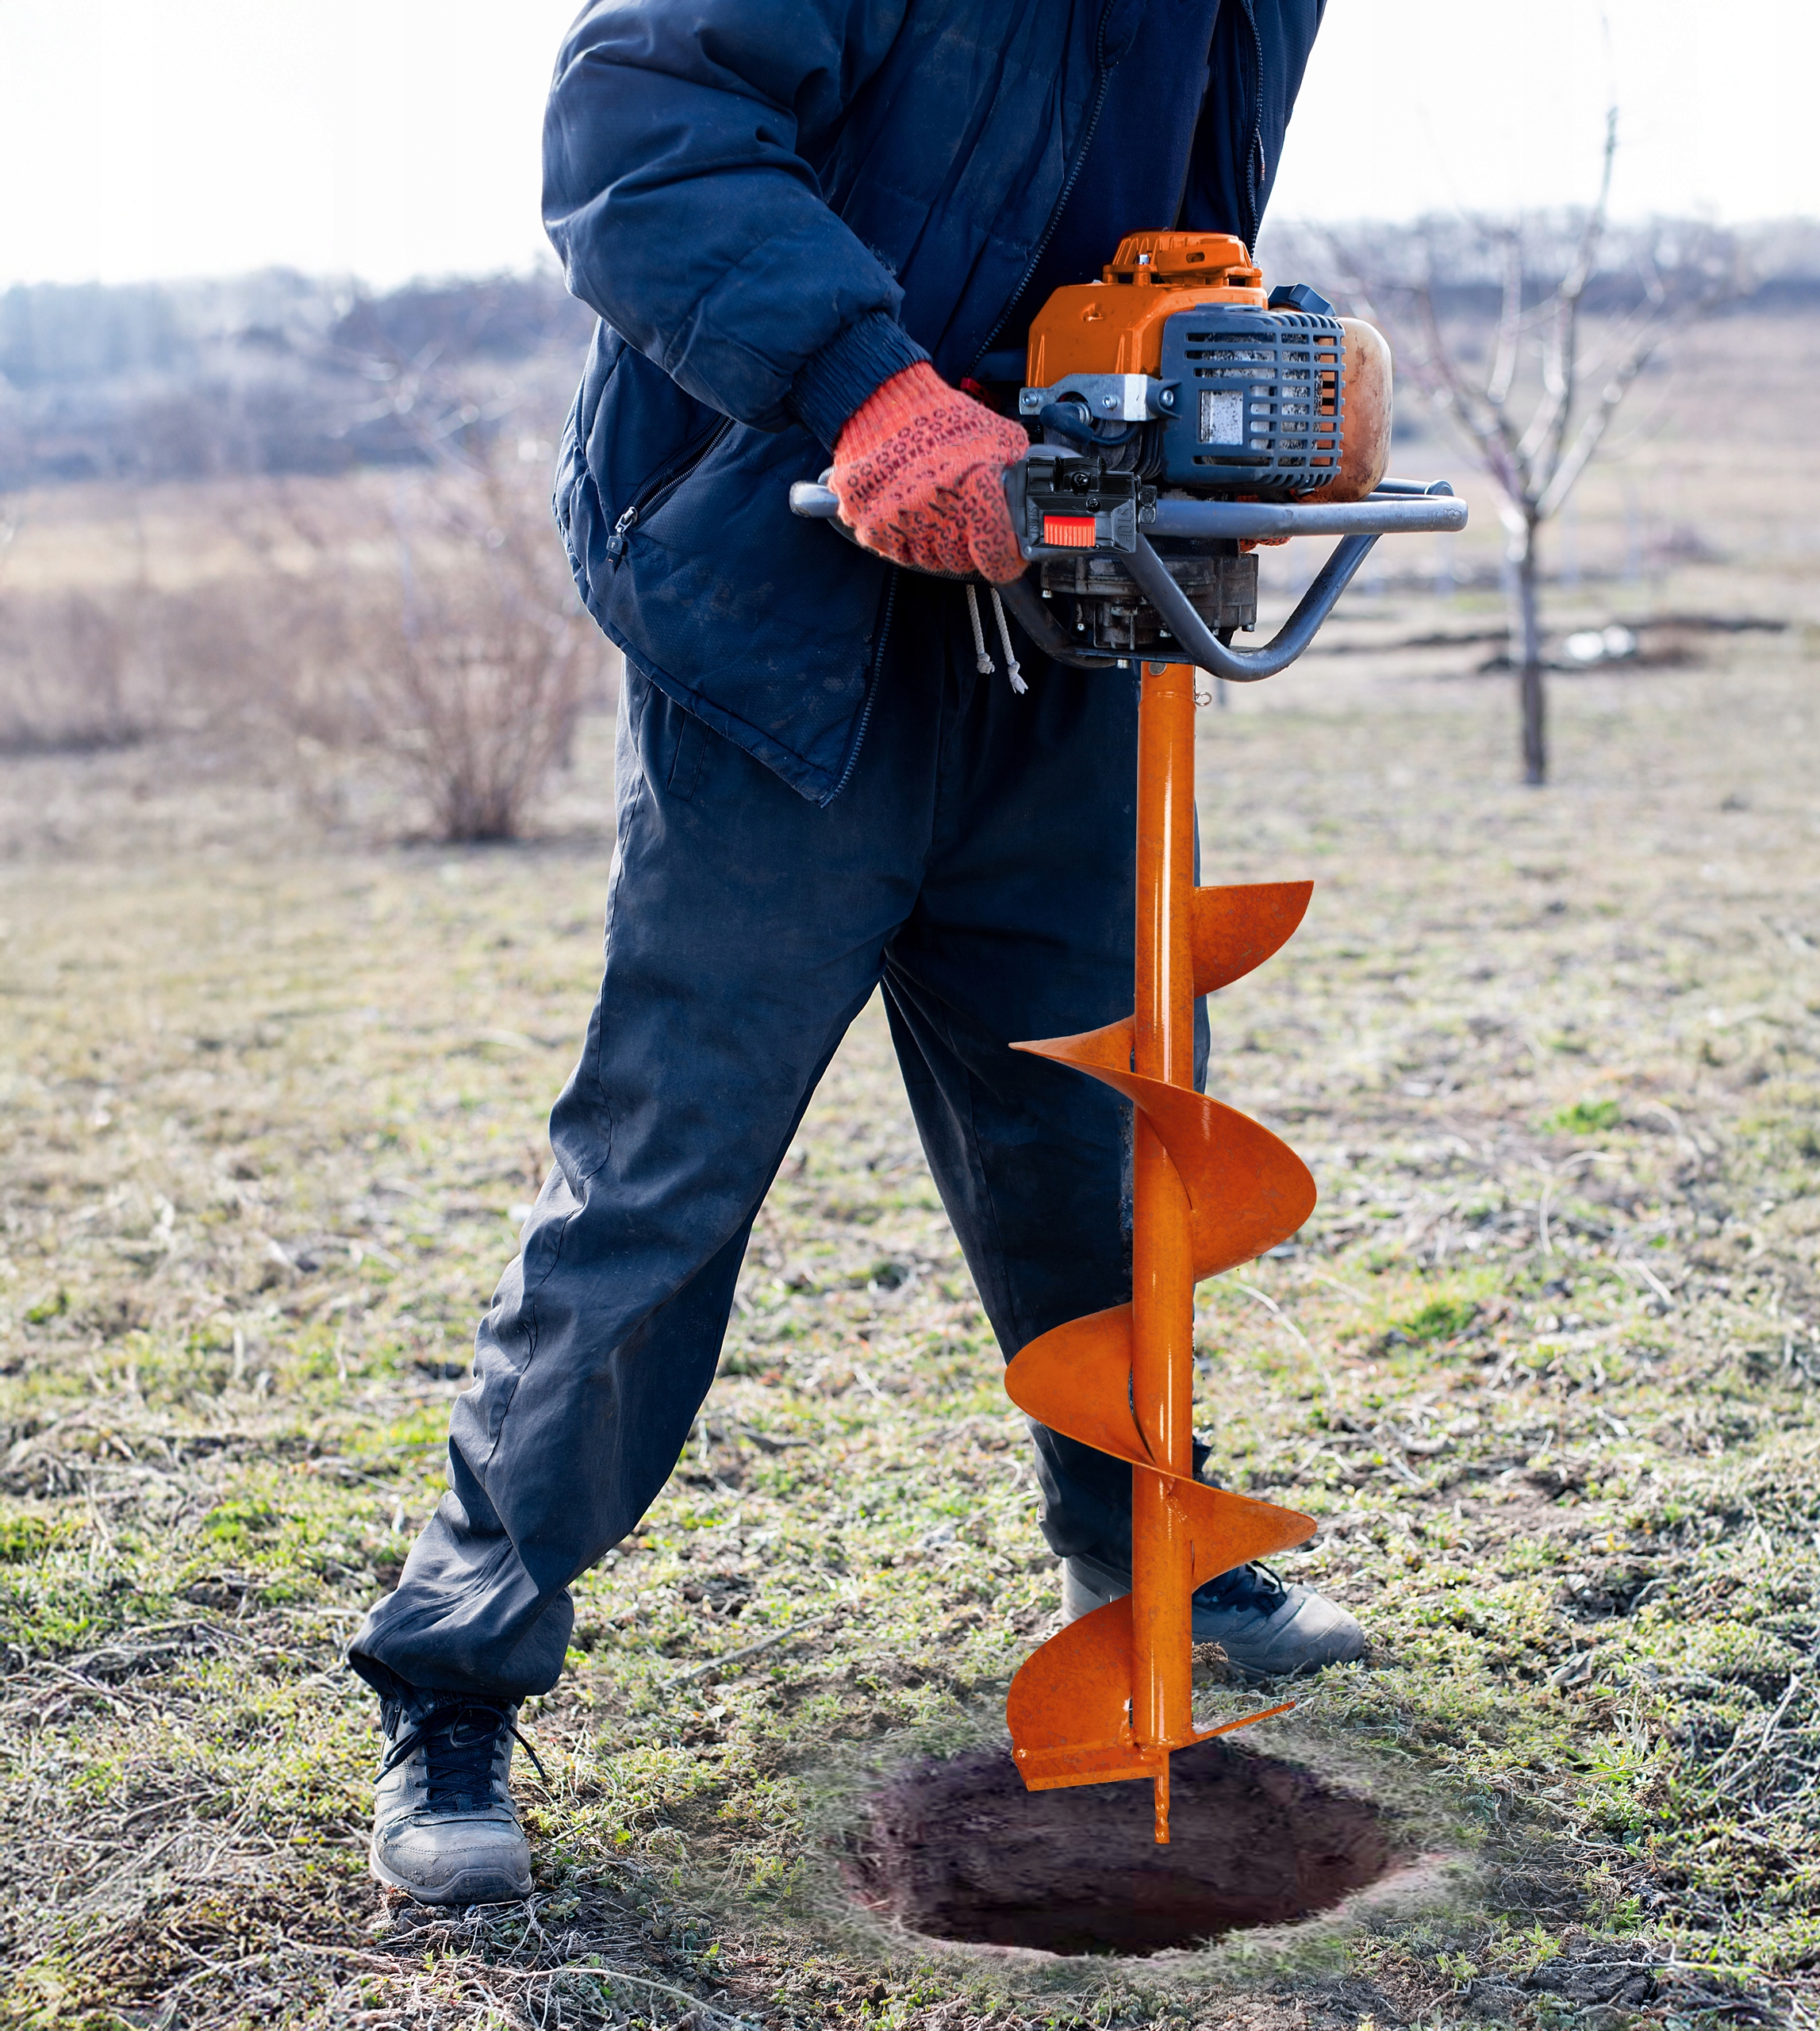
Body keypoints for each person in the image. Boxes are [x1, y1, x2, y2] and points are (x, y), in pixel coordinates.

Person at [349, 0, 1377, 1910]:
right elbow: (632, 127)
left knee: (1107, 1133)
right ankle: (454, 1673)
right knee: (665, 1173)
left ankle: (1146, 1546)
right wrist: (867, 385)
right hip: (789, 608)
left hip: (1062, 614)